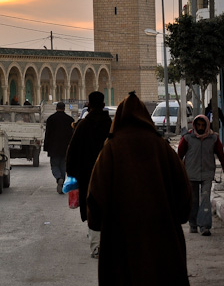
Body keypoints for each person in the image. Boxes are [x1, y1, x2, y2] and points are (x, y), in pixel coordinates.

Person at [87, 92, 191, 285]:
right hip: (163, 237)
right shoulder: (162, 147)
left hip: (121, 239)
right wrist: (179, 216)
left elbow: (96, 194)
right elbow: (183, 190)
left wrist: (97, 223)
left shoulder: (111, 149)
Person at [65, 91, 113, 258]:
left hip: (87, 174)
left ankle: (96, 246)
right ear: (103, 104)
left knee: (92, 208)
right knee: (107, 207)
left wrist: (71, 171)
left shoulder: (83, 125)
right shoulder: (110, 125)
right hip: (107, 174)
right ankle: (106, 241)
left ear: (89, 105)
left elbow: (72, 149)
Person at [177, 115, 224, 236]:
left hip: (207, 174)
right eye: (198, 125)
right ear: (195, 125)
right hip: (191, 174)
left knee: (205, 198)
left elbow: (223, 156)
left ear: (207, 125)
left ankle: (205, 226)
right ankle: (193, 224)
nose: (201, 128)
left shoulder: (213, 138)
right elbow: (178, 156)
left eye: (203, 125)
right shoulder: (187, 138)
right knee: (193, 200)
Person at [43, 101, 75, 194]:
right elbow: (73, 135)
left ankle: (58, 178)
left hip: (54, 147)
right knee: (63, 166)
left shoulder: (51, 119)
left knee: (55, 165)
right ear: (64, 108)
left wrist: (46, 147)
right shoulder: (70, 119)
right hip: (66, 148)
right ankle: (62, 183)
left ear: (56, 108)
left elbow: (47, 134)